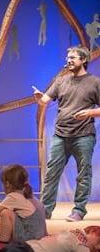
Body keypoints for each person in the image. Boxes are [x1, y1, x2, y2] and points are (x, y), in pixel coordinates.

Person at [33, 45, 100, 222]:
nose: (69, 60)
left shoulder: (94, 82)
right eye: (68, 57)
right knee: (51, 173)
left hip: (84, 136)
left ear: (83, 60)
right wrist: (40, 98)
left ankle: (78, 210)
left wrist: (90, 112)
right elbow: (45, 100)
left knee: (83, 174)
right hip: (60, 135)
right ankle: (44, 210)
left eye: (73, 57)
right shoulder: (61, 81)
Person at [0, 164, 47, 252]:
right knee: (14, 214)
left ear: (7, 184)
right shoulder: (28, 195)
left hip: (29, 240)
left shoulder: (13, 197)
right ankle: (3, 239)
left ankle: (2, 247)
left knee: (5, 213)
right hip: (41, 238)